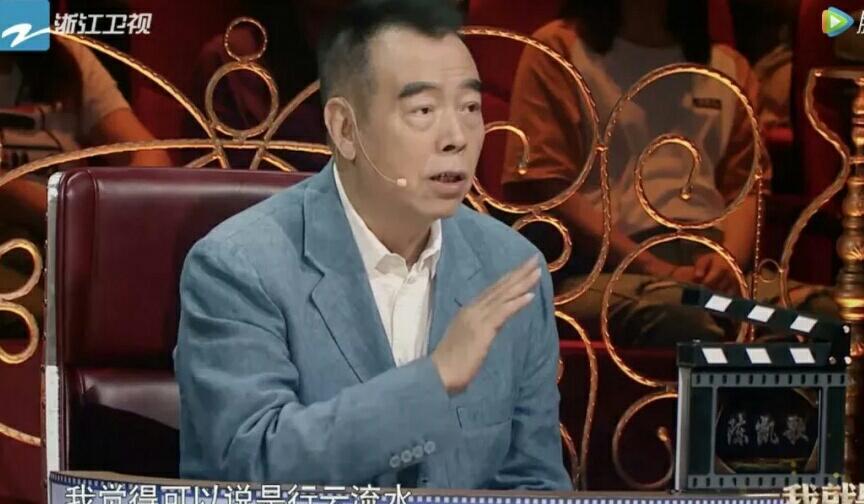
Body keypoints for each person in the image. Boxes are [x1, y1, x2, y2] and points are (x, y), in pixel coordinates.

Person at [175, 0, 571, 490]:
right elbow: (251, 466)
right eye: (423, 110)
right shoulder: (239, 266)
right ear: (345, 129)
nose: (456, 137)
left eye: (470, 108)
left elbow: (533, 481)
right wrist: (434, 380)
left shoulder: (512, 267)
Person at [501, 0, 834, 347]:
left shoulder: (728, 67)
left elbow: (747, 190)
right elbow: (546, 185)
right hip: (602, 269)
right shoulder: (559, 50)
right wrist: (654, 267)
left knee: (828, 315)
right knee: (685, 316)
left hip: (710, 264)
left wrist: (728, 262)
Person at [0, 37, 171, 338]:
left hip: (75, 235)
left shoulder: (63, 54)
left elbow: (151, 155)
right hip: (23, 238)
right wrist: (73, 213)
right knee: (56, 319)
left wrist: (114, 211)